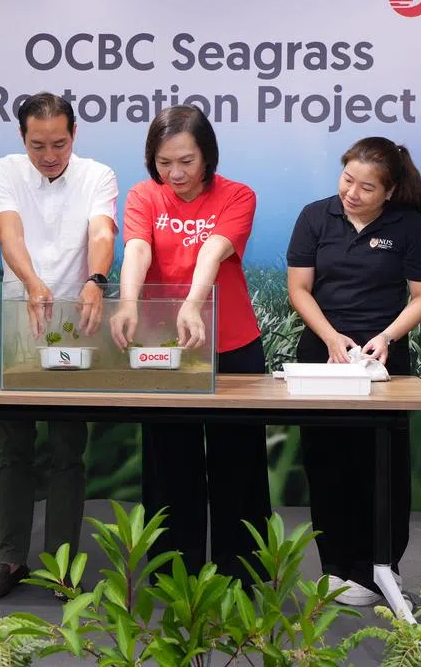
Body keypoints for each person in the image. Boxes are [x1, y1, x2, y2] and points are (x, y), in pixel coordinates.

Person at [110, 105, 272, 581]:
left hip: (233, 346)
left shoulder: (238, 195)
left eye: (186, 161)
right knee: (169, 460)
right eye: (165, 162)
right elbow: (138, 248)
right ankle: (174, 571)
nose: (176, 173)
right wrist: (128, 302)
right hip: (165, 349)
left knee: (237, 461)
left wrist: (192, 303)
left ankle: (241, 571)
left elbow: (213, 250)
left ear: (207, 156)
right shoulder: (144, 196)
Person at [286, 136, 421, 607]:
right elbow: (299, 289)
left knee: (380, 465)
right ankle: (335, 567)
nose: (352, 193)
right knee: (326, 462)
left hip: (383, 363)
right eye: (347, 179)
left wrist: (387, 337)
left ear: (390, 191)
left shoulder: (409, 226)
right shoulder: (315, 216)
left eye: (367, 187)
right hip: (321, 357)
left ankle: (379, 568)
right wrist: (331, 338)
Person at [0, 92, 118, 601]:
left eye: (59, 143)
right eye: (38, 145)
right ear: (22, 138)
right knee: (13, 451)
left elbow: (102, 230)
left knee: (66, 452)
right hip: (15, 326)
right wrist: (35, 284)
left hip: (74, 331)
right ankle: (10, 559)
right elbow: (9, 235)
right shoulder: (4, 171)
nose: (50, 154)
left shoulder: (97, 175)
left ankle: (61, 568)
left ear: (74, 135)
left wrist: (96, 278)